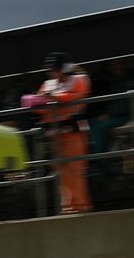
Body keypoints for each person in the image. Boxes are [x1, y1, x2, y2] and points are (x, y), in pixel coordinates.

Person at [21, 53, 92, 215]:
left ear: (64, 68)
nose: (53, 73)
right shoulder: (48, 84)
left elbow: (77, 95)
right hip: (54, 132)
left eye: (55, 69)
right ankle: (67, 206)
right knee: (61, 171)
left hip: (73, 130)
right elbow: (39, 106)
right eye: (51, 70)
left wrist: (53, 98)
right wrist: (39, 101)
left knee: (75, 168)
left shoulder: (79, 79)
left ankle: (81, 206)